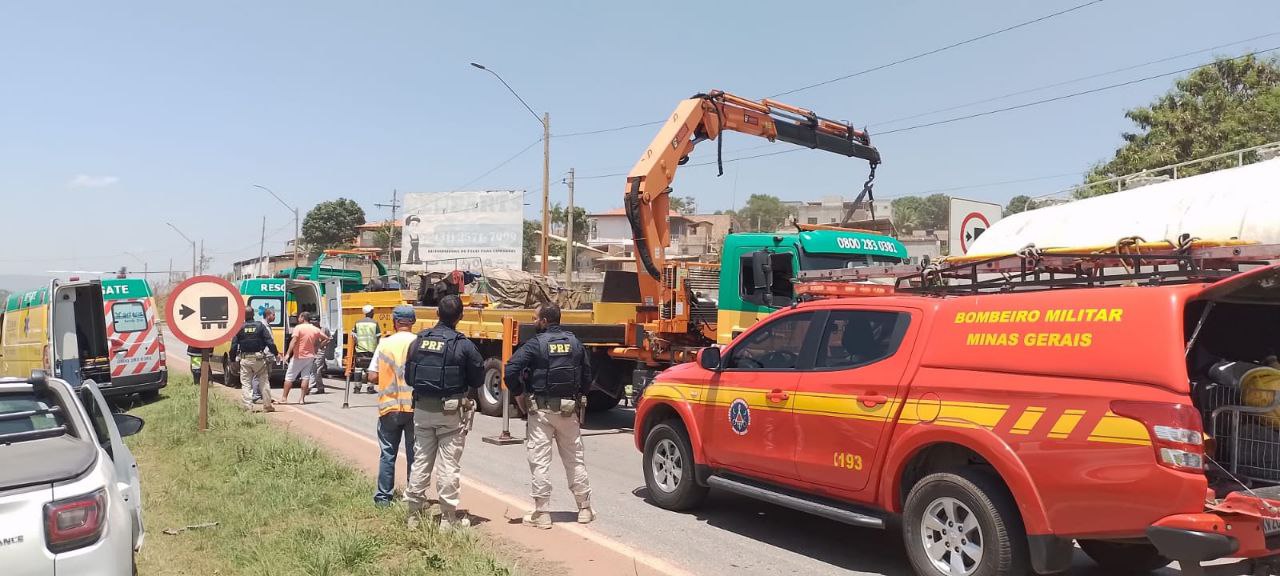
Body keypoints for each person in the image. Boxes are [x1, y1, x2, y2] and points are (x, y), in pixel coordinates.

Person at [503, 303, 594, 529]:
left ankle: (542, 514)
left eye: (535, 318)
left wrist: (519, 395)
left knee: (540, 462)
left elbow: (511, 369)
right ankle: (584, 509)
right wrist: (580, 396)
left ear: (544, 321)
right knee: (575, 460)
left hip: (541, 413)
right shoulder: (575, 343)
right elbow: (587, 374)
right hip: (568, 410)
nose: (533, 321)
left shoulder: (536, 344)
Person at [403, 295, 484, 529]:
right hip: (450, 414)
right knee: (449, 465)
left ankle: (413, 516)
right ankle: (448, 519)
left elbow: (409, 377)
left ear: (437, 314)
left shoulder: (418, 340)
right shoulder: (463, 345)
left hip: (422, 409)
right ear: (460, 317)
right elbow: (477, 378)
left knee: (421, 461)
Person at [366, 305, 419, 507]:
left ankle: (383, 498)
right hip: (414, 407)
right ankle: (413, 496)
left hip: (389, 407)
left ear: (396, 322)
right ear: (413, 322)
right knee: (415, 455)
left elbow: (372, 376)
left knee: (388, 453)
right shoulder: (419, 342)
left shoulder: (385, 344)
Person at [229, 306, 278, 412]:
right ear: (253, 315)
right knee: (264, 381)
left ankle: (248, 406)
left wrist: (232, 359)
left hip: (245, 359)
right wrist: (276, 353)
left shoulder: (240, 327)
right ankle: (267, 406)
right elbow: (270, 342)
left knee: (246, 383)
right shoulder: (260, 326)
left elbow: (233, 345)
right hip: (259, 358)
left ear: (243, 316)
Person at [282, 311, 328, 405]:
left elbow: (294, 341)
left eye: (299, 317)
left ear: (303, 317)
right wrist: (318, 346)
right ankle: (302, 399)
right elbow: (327, 338)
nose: (298, 319)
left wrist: (287, 354)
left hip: (298, 356)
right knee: (305, 377)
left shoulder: (298, 328)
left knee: (289, 377)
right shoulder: (314, 329)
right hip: (310, 357)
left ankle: (284, 398)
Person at [353, 304, 381, 394]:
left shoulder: (358, 323)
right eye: (373, 311)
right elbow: (378, 337)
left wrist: (357, 345)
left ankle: (357, 388)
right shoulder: (374, 323)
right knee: (370, 369)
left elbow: (354, 336)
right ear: (370, 312)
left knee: (358, 369)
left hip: (360, 350)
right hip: (371, 350)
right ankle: (370, 388)